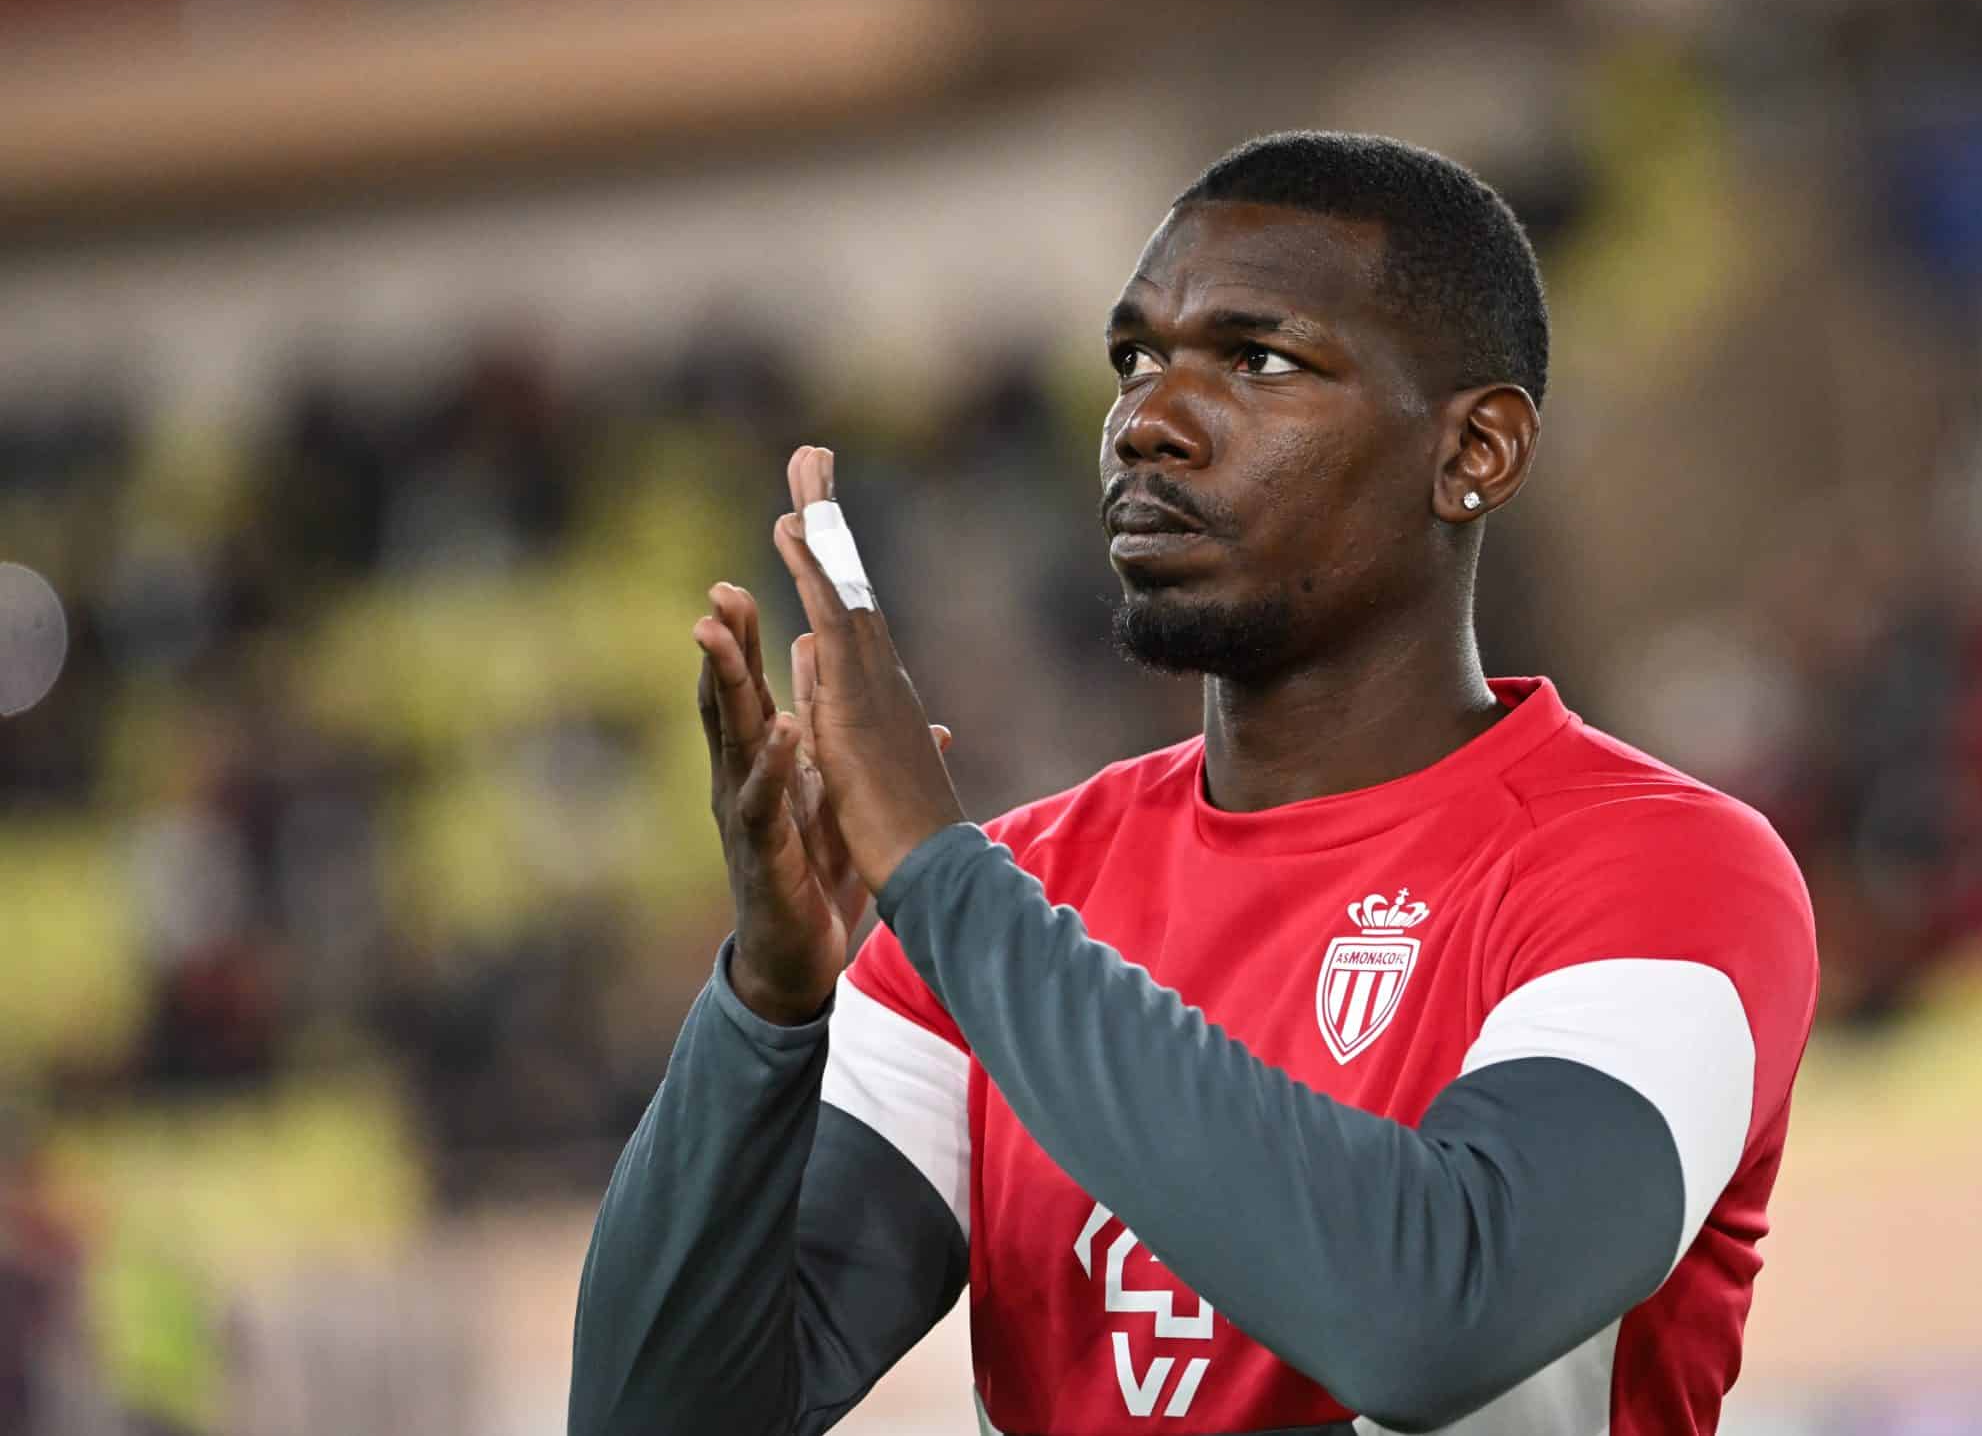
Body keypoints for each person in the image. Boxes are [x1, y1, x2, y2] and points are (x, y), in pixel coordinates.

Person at [568, 133, 1820, 1434]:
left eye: (1258, 358)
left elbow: (1434, 1313)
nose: (1144, 422)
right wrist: (766, 1006)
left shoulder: (1659, 870)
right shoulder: (1019, 895)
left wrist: (945, 883)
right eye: (1133, 358)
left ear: (1476, 451)